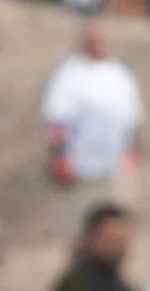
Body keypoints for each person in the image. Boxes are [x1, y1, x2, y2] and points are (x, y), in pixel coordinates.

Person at [41, 17, 144, 185]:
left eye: (103, 39)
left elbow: (133, 122)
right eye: (94, 39)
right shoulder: (69, 74)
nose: (99, 43)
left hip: (115, 169)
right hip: (77, 169)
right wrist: (59, 159)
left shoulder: (121, 75)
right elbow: (56, 121)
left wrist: (133, 156)